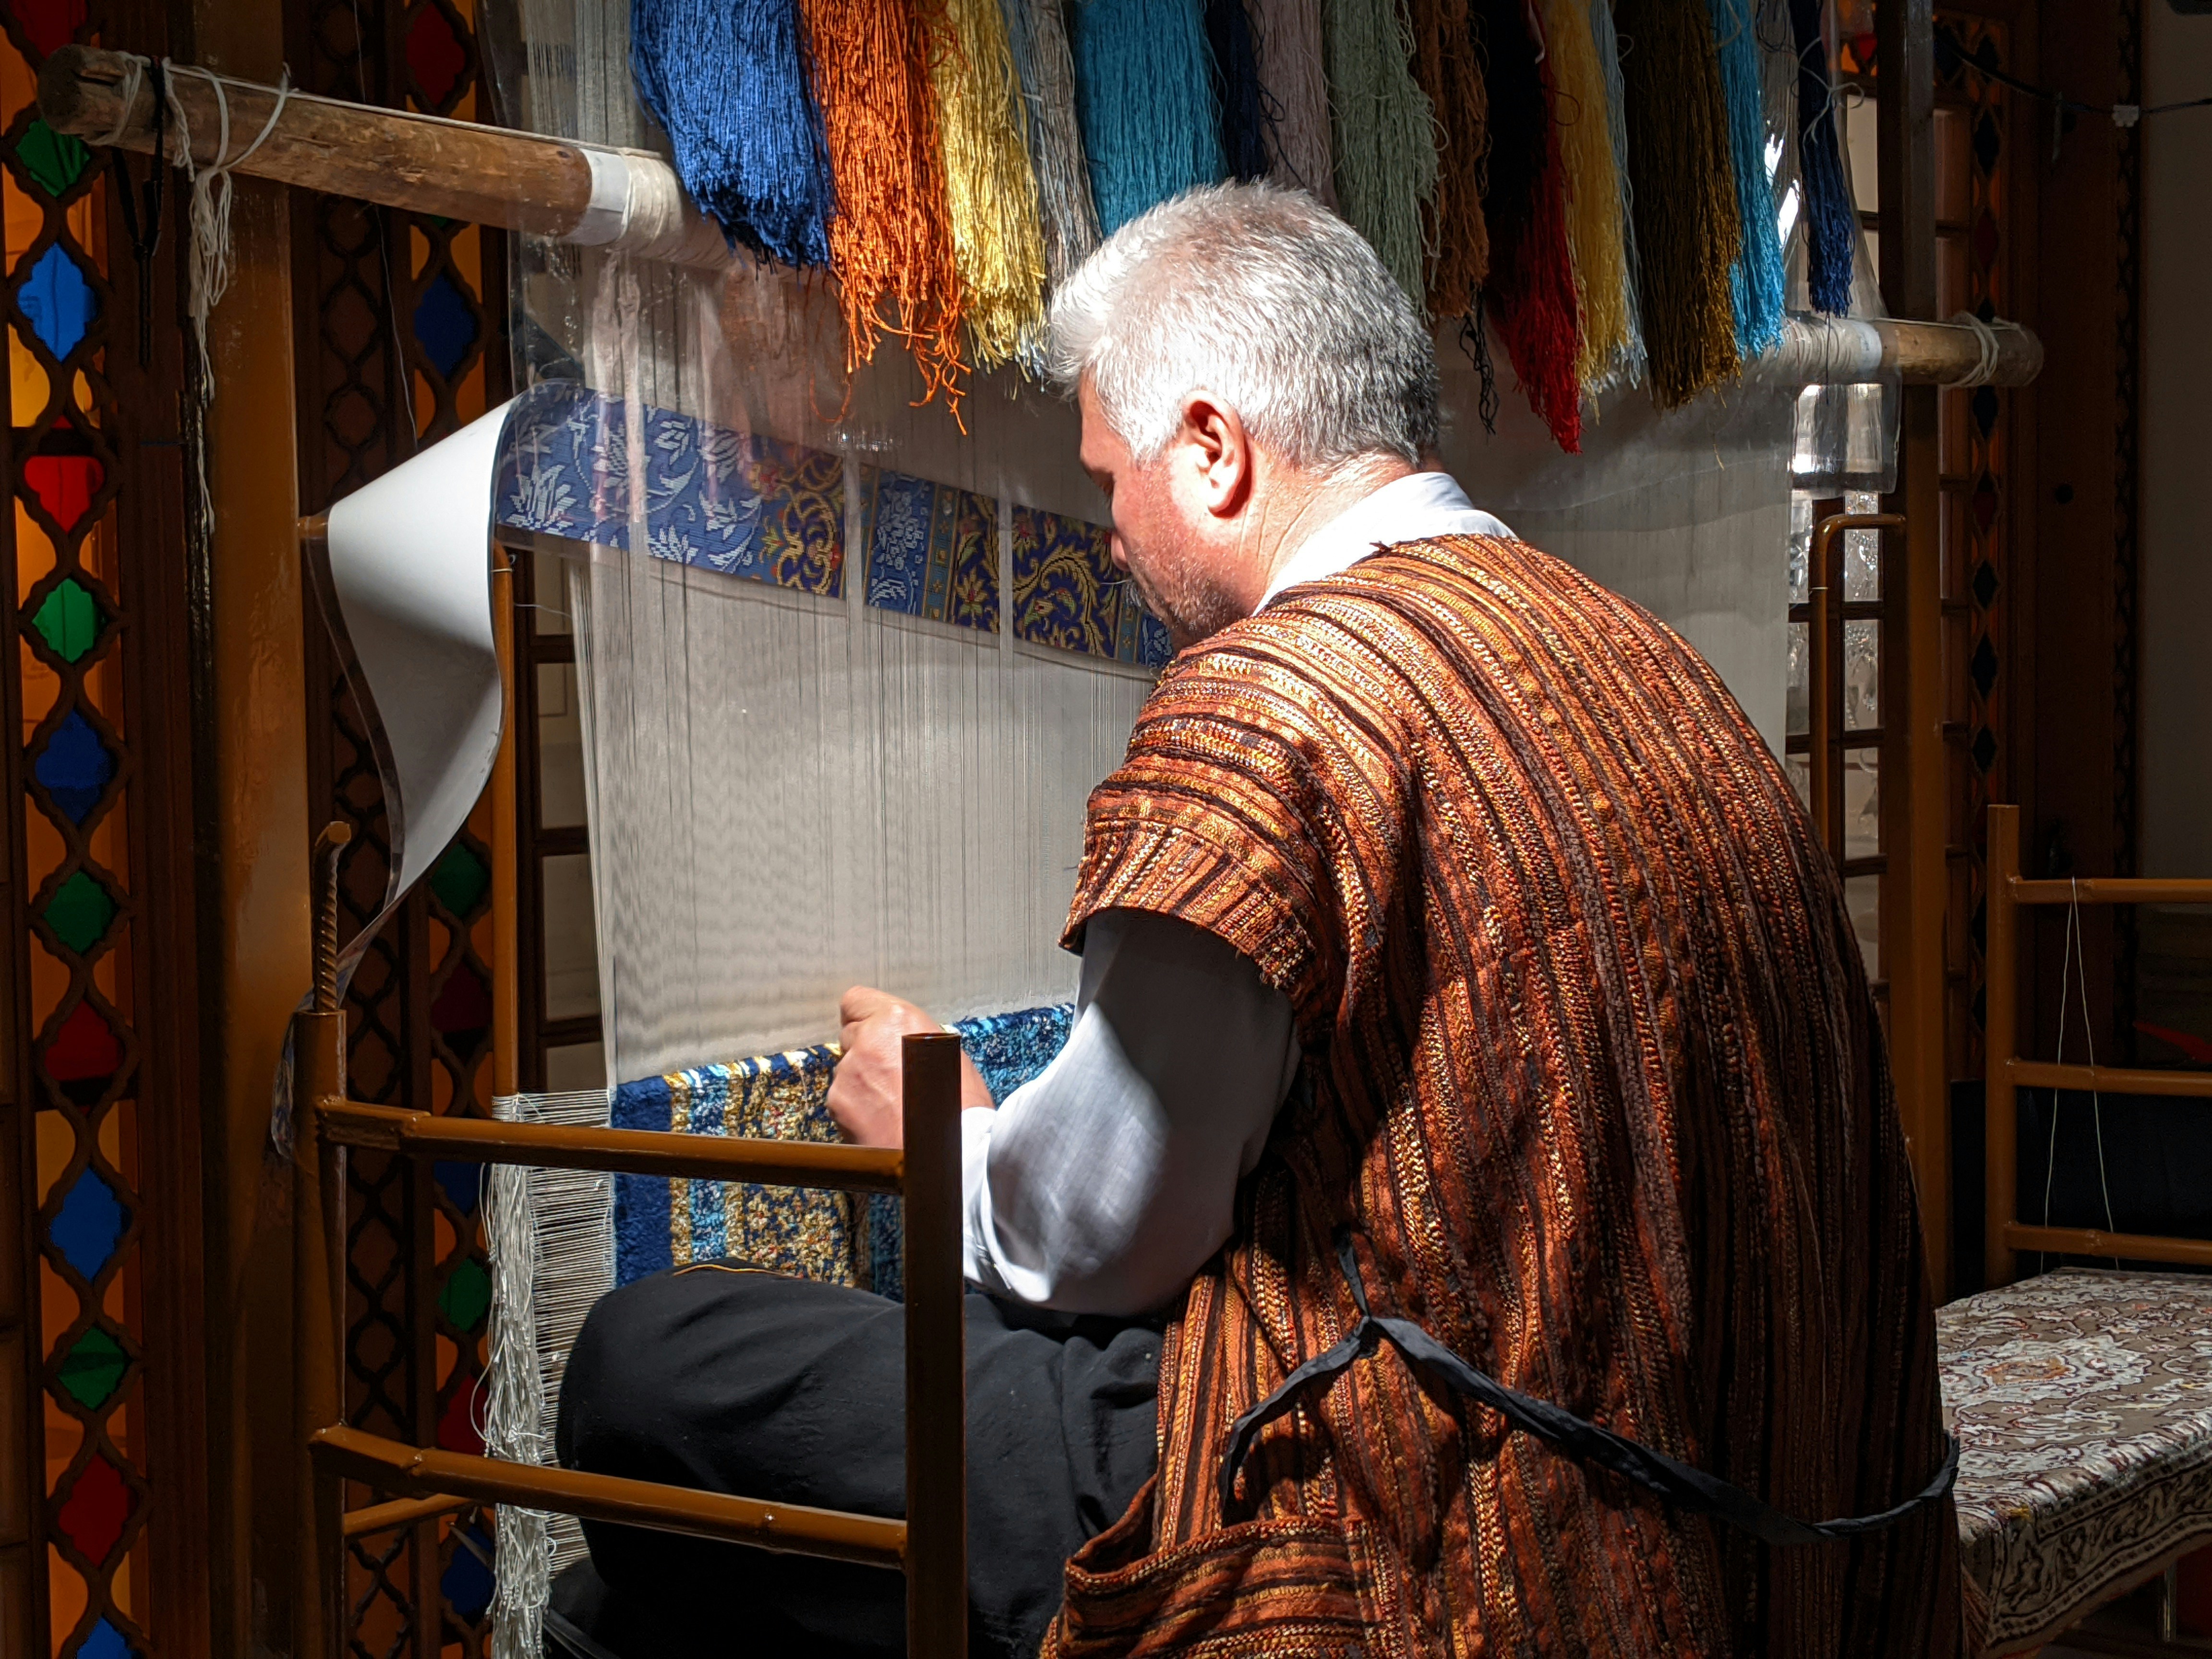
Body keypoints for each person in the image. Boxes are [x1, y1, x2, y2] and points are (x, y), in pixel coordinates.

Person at [555, 180, 1961, 1658]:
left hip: (1448, 1536)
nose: (1105, 532)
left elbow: (1092, 1243)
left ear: (1215, 452)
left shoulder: (1274, 710)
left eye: (1110, 476)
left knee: (651, 1364)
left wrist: (942, 1133)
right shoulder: (1659, 669)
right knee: (651, 1594)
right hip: (1800, 1528)